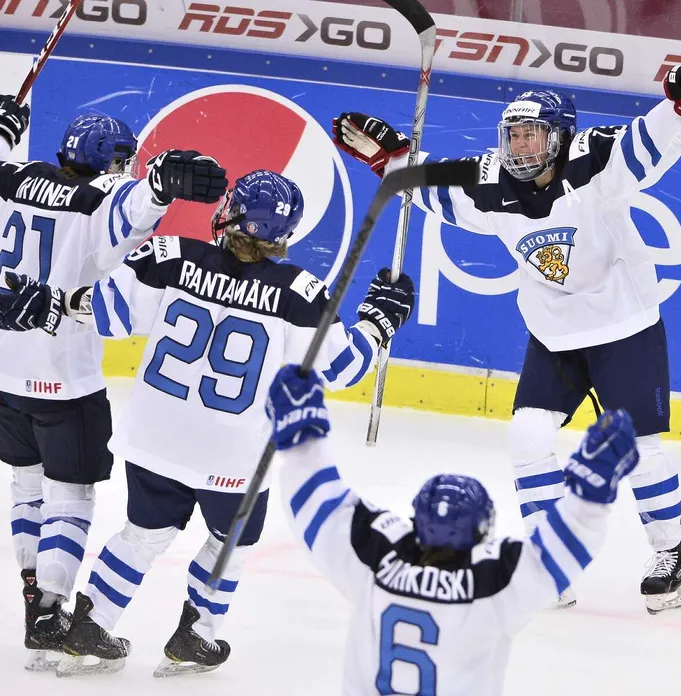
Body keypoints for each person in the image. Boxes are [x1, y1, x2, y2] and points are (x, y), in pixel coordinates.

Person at [0, 169, 415, 676]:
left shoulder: (172, 255)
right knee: (230, 540)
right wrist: (380, 320)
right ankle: (196, 634)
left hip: (156, 437)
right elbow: (343, 367)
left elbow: (106, 313)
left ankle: (91, 622)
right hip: (233, 454)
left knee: (141, 533)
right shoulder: (301, 293)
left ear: (232, 213)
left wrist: (53, 303)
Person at [331, 64, 681, 613]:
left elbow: (646, 144)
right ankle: (550, 563)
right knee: (528, 435)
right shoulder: (490, 181)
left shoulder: (595, 161)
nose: (521, 145)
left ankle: (673, 553)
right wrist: (391, 160)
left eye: (533, 134)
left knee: (640, 448)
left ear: (561, 136)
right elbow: (436, 189)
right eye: (513, 134)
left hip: (624, 324)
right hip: (554, 333)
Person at [0, 94, 227, 669]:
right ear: (110, 161)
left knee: (26, 484)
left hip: (2, 372)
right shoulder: (104, 196)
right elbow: (130, 203)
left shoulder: (9, 175)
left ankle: (36, 605)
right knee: (70, 495)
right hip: (64, 382)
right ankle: (52, 613)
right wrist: (158, 187)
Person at [266, 364, 639, 695]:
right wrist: (591, 490)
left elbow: (317, 504)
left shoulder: (376, 558)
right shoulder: (491, 584)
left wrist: (303, 434)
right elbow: (562, 547)